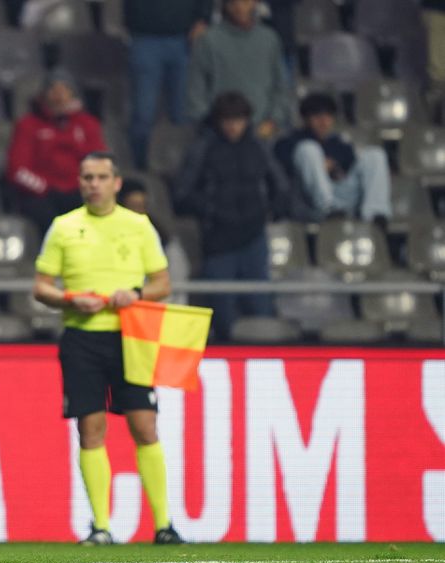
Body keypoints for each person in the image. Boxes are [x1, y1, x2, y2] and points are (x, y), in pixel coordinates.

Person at [32, 151, 181, 546]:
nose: (93, 184)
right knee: (90, 428)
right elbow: (41, 287)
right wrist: (70, 299)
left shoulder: (139, 225)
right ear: (80, 183)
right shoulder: (64, 227)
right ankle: (101, 526)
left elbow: (163, 283)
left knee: (144, 425)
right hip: (82, 337)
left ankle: (164, 525)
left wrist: (135, 294)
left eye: (100, 177)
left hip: (131, 335)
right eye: (87, 177)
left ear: (116, 183)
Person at [174, 92, 288, 340]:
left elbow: (279, 184)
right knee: (222, 314)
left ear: (247, 120)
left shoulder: (258, 147)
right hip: (218, 240)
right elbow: (183, 193)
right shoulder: (202, 149)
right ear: (218, 121)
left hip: (254, 237)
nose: (233, 126)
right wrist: (212, 211)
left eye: (238, 120)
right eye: (227, 120)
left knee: (260, 309)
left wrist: (269, 211)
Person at [6, 68, 106, 234]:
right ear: (44, 95)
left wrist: (87, 186)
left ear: (73, 94)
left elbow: (99, 161)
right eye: (53, 89)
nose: (59, 95)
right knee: (51, 224)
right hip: (41, 195)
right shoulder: (28, 125)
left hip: (79, 191)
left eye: (64, 89)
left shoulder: (87, 124)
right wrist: (45, 188)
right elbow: (17, 170)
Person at [274, 93, 392, 223]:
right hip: (308, 203)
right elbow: (283, 175)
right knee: (308, 148)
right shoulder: (289, 142)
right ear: (306, 119)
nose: (323, 121)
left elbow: (351, 173)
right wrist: (318, 166)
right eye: (317, 116)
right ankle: (328, 208)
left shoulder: (339, 144)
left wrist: (335, 168)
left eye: (328, 116)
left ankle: (375, 213)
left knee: (375, 154)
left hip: (341, 198)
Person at [125, 0, 212, 168]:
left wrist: (203, 19)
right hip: (145, 37)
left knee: (183, 114)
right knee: (143, 114)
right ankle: (140, 170)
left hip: (184, 39)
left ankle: (187, 170)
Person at [187, 0, 289, 139]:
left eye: (245, 2)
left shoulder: (270, 39)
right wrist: (211, 123)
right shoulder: (207, 40)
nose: (240, 8)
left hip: (262, 131)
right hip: (218, 133)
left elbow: (281, 86)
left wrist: (273, 120)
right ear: (226, 5)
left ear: (255, 3)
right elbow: (196, 88)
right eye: (234, 3)